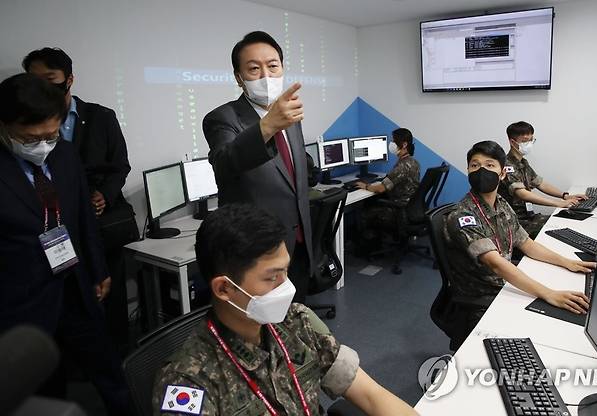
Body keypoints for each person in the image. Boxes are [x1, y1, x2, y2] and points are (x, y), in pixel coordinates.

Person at [152, 203, 417, 415]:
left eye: (285, 272)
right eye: (272, 277)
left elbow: (370, 395)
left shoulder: (298, 323)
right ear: (224, 289)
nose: (286, 287)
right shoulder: (189, 382)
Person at [0, 73, 130, 414]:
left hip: (78, 286)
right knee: (46, 386)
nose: (44, 144)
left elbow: (83, 217)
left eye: (51, 135)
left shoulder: (65, 154)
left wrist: (99, 269)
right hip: (23, 304)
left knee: (110, 373)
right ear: (4, 125)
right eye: (32, 138)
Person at [23, 47, 139, 353]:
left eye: (50, 79)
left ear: (68, 79)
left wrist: (105, 194)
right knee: (69, 298)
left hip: (103, 222)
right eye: (34, 80)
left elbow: (120, 165)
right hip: (56, 228)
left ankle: (119, 352)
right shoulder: (26, 128)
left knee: (110, 291)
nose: (43, 88)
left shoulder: (101, 117)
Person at [443, 140, 595, 350]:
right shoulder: (463, 216)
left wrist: (566, 262)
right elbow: (496, 264)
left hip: (505, 283)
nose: (481, 171)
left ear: (502, 173)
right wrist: (548, 293)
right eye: (475, 166)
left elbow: (526, 244)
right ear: (468, 171)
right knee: (559, 328)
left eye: (490, 165)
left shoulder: (502, 205)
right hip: (484, 294)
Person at [203, 31, 312, 304]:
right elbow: (224, 163)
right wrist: (267, 126)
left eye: (273, 66)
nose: (266, 75)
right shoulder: (222, 118)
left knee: (296, 320)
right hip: (256, 253)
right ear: (239, 77)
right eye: (254, 68)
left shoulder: (290, 114)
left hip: (298, 242)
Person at [500, 121, 587, 238]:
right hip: (516, 223)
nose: (529, 144)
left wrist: (565, 196)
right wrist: (559, 204)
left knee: (568, 222)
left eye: (531, 140)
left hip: (529, 217)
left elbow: (540, 183)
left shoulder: (522, 162)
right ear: (512, 142)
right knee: (561, 231)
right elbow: (523, 194)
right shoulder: (507, 166)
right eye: (525, 141)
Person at [355, 128, 420, 255]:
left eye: (394, 141)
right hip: (410, 208)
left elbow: (380, 188)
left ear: (404, 144)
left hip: (399, 210)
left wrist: (365, 186)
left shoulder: (402, 166)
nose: (391, 144)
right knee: (373, 201)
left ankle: (366, 248)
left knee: (363, 211)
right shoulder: (414, 162)